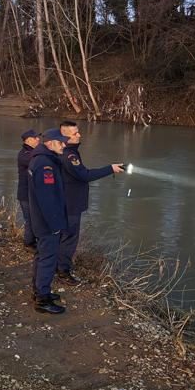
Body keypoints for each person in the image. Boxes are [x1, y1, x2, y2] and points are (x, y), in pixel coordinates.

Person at [57, 121, 124, 285]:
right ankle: (62, 271)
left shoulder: (65, 152)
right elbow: (85, 175)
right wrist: (110, 168)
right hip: (71, 204)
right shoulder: (69, 155)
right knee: (69, 238)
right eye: (75, 133)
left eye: (78, 132)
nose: (79, 135)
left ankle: (57, 265)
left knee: (61, 236)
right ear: (65, 137)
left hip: (64, 202)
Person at [27, 129, 69, 314]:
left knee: (41, 255)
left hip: (40, 220)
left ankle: (39, 290)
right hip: (46, 222)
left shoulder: (41, 159)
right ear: (51, 143)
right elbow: (46, 198)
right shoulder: (45, 165)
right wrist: (54, 225)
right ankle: (42, 299)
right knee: (48, 259)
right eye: (61, 142)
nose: (64, 145)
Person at [16, 129, 40, 251]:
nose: (39, 140)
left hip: (33, 193)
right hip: (25, 194)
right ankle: (29, 242)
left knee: (34, 218)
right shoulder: (24, 154)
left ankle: (33, 241)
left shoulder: (33, 152)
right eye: (36, 138)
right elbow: (36, 161)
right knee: (30, 219)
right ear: (29, 140)